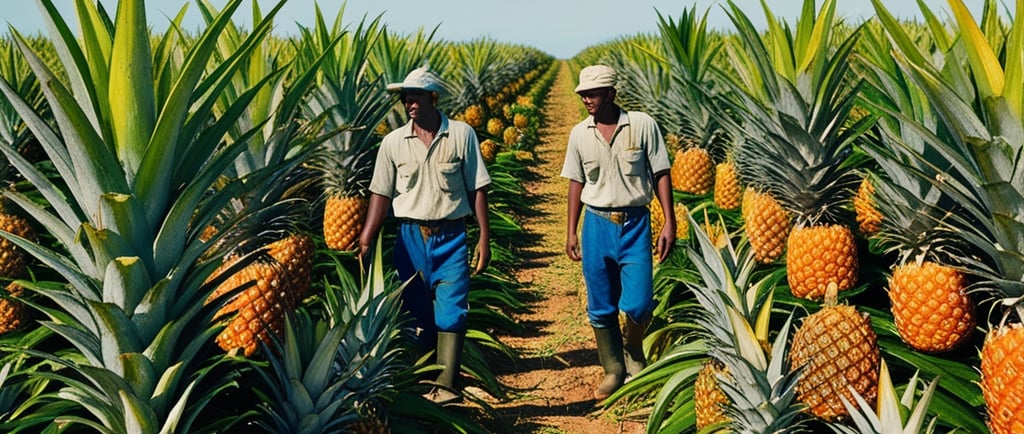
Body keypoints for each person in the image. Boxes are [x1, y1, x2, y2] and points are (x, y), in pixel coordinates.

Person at [359, 66, 492, 405]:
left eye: (416, 96)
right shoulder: (392, 143)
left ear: (433, 97)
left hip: (451, 236)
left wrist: (483, 237)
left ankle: (447, 387)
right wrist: (366, 235)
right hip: (409, 237)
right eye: (406, 98)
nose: (409, 103)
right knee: (415, 311)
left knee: (452, 310)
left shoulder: (461, 135)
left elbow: (478, 187)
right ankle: (421, 383)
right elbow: (381, 193)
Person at [561, 64, 675, 400]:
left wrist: (669, 220)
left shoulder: (641, 125)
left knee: (639, 302)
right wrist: (571, 231)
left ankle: (634, 350)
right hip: (596, 223)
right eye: (583, 94)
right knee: (601, 302)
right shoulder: (580, 133)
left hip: (635, 223)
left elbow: (661, 172)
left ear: (612, 94)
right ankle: (613, 369)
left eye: (593, 94)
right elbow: (575, 182)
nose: (587, 100)